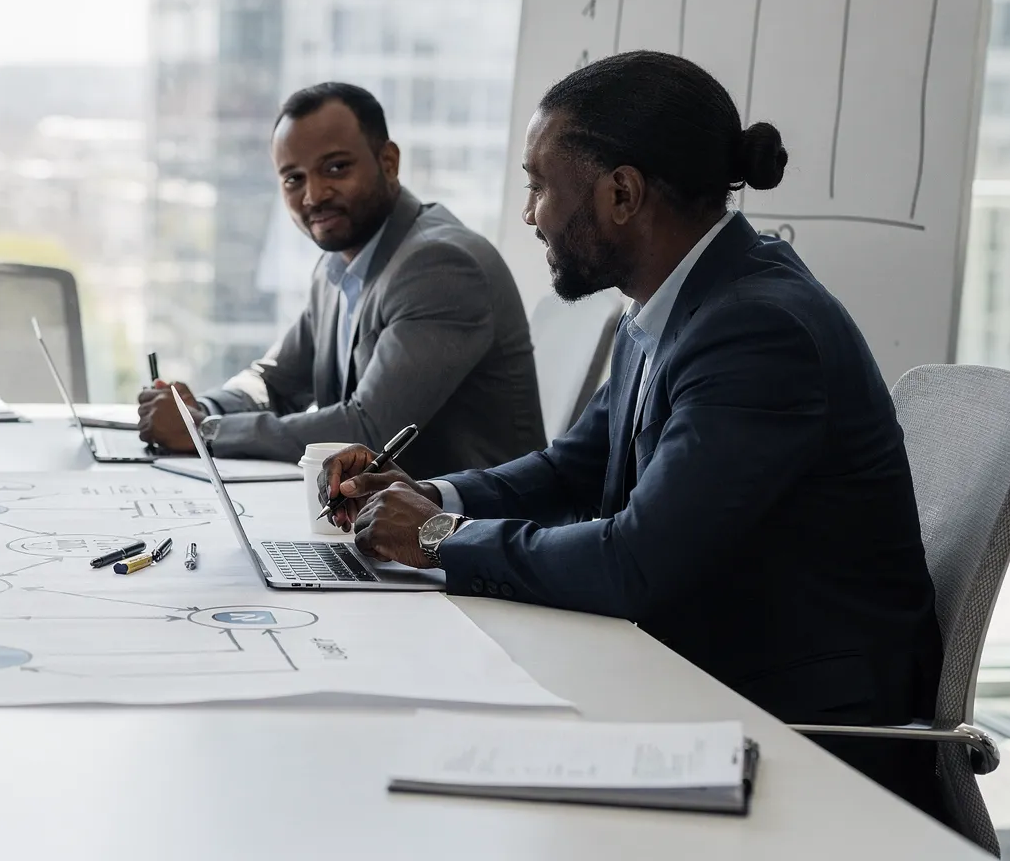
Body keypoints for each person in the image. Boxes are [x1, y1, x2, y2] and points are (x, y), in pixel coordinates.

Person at [323, 50, 946, 819]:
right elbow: (572, 469)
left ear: (622, 193)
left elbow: (635, 560)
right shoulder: (669, 304)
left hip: (801, 733)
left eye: (539, 185)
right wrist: (427, 492)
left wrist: (439, 536)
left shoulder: (756, 328)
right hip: (700, 670)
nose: (530, 215)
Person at [137, 81, 546, 472]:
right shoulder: (339, 264)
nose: (313, 195)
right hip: (384, 518)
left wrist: (203, 431)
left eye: (335, 168)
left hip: (468, 530)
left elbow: (368, 431)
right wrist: (202, 410)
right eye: (294, 178)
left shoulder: (440, 265)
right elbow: (274, 382)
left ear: (388, 162)